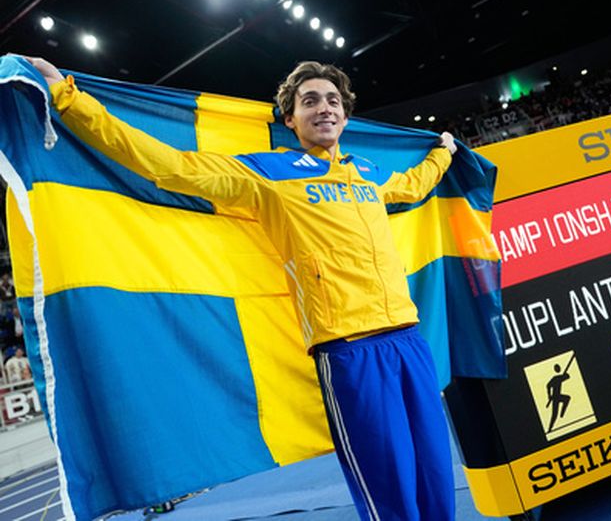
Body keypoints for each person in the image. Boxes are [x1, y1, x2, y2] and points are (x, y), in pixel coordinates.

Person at [27, 56, 460, 520]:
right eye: (309, 101)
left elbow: (415, 185)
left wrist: (445, 152)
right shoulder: (268, 174)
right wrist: (70, 100)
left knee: (436, 475)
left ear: (346, 115)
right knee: (390, 491)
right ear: (290, 118)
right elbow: (170, 168)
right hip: (350, 350)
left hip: (409, 340)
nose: (324, 109)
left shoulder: (369, 174)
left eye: (333, 100)